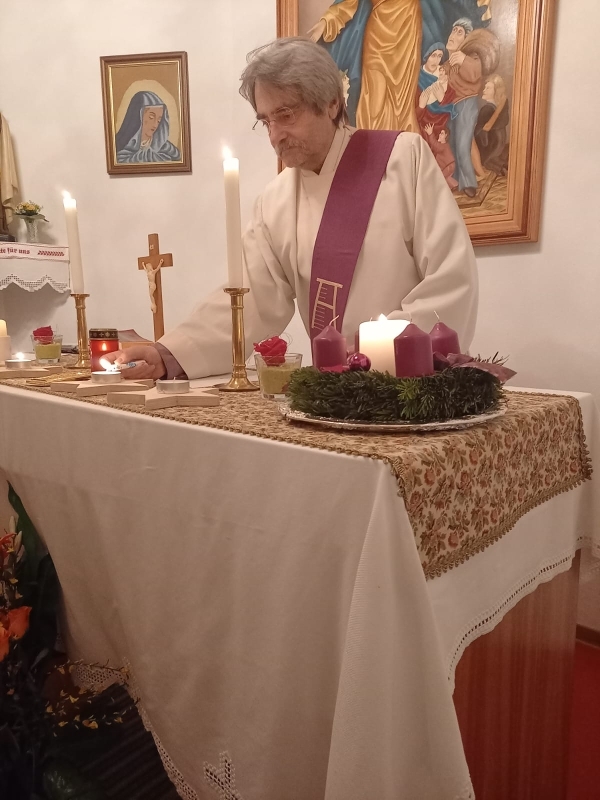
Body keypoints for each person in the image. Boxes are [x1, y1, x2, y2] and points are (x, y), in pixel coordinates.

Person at [107, 38, 478, 382]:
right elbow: (250, 300)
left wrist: (377, 354)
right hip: (334, 392)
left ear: (331, 103)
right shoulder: (276, 201)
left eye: (285, 115)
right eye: (265, 121)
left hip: (411, 385)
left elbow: (450, 278)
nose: (274, 136)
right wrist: (169, 354)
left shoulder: (402, 159)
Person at [308, 0, 421, 133]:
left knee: (401, 103)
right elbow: (347, 4)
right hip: (379, 35)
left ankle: (399, 143)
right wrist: (327, 21)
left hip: (407, 29)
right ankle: (371, 142)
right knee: (374, 100)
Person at [442, 19, 499, 196]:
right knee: (451, 144)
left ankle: (469, 183)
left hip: (466, 104)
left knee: (462, 145)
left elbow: (475, 74)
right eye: (453, 30)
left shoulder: (470, 58)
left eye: (459, 32)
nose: (453, 35)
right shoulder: (447, 64)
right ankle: (456, 180)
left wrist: (463, 59)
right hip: (450, 108)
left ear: (467, 39)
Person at [116, 91, 181, 164]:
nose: (155, 125)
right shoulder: (121, 144)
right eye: (151, 117)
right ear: (138, 117)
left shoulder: (166, 147)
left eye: (159, 120)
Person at [415, 43, 457, 143]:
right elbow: (411, 114)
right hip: (423, 129)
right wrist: (421, 107)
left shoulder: (446, 74)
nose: (436, 60)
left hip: (443, 129)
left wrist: (443, 99)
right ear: (426, 56)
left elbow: (454, 106)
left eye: (439, 56)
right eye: (433, 55)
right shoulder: (416, 77)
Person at [475, 74, 510, 176]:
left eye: (488, 88)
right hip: (497, 144)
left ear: (496, 91)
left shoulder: (486, 109)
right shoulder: (499, 107)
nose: (484, 90)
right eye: (485, 87)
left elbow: (481, 133)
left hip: (488, 145)